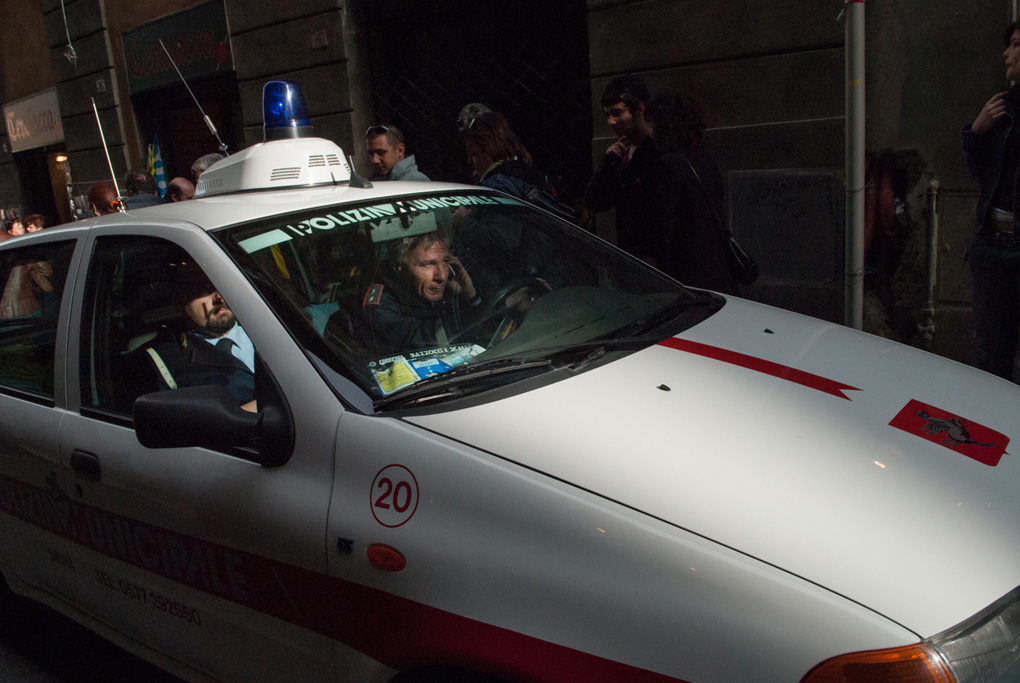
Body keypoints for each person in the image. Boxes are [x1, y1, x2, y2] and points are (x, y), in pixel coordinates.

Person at [962, 20, 1020, 381]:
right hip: (991, 247)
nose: (1006, 53)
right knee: (989, 363)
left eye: (1015, 44)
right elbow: (984, 177)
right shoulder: (1002, 106)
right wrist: (976, 132)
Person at [642, 87, 739, 294]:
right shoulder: (704, 161)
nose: (650, 133)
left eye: (652, 125)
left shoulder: (666, 166)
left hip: (688, 279)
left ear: (663, 127)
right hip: (719, 273)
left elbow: (663, 234)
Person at [135, 263, 256, 410]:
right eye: (202, 290)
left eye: (222, 284)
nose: (219, 297)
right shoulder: (167, 360)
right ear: (179, 302)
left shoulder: (271, 322)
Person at [363, 232, 479, 354]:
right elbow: (414, 340)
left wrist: (470, 296)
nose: (442, 276)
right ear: (400, 267)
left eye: (445, 261)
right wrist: (472, 318)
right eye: (428, 264)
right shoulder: (381, 304)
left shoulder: (450, 287)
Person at [584, 75, 658, 258]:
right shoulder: (621, 154)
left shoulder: (658, 152)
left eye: (617, 113)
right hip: (635, 259)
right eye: (607, 115)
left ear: (639, 109)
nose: (611, 122)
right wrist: (608, 164)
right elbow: (596, 201)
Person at [365, 124, 430, 181]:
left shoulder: (416, 182)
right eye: (371, 154)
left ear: (400, 150)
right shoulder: (376, 180)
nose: (374, 160)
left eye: (381, 152)